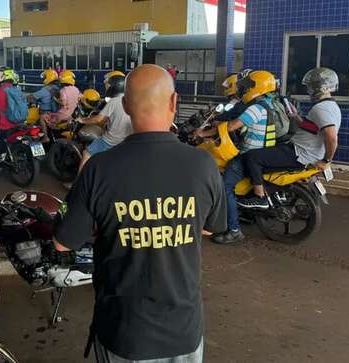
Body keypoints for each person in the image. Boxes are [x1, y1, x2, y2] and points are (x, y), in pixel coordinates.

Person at [53, 64, 227, 363]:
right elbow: (210, 228)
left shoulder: (99, 168)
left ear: (124, 105)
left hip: (125, 332)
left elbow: (63, 243)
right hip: (183, 331)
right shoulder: (203, 165)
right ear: (174, 102)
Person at [239, 67, 341, 209]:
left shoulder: (321, 109)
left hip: (299, 153)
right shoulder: (331, 106)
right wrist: (295, 118)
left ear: (320, 88)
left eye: (311, 87)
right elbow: (314, 129)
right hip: (301, 150)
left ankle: (260, 197)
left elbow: (331, 137)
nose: (308, 91)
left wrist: (326, 161)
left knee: (251, 157)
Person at [196, 70, 278, 244]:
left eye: (249, 86)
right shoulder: (269, 104)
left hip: (250, 154)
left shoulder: (257, 107)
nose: (245, 89)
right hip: (264, 152)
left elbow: (233, 125)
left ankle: (234, 230)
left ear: (257, 87)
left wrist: (204, 133)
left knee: (225, 186)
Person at [75, 71, 131, 171]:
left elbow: (98, 119)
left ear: (115, 86)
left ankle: (79, 182)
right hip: (126, 140)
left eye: (108, 85)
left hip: (112, 141)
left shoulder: (114, 101)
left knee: (86, 154)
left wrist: (82, 120)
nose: (107, 87)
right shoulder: (130, 100)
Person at [40, 69, 81, 138]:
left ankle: (46, 137)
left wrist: (54, 98)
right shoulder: (76, 89)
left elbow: (63, 103)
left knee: (42, 117)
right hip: (70, 115)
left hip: (62, 115)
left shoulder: (63, 90)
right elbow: (80, 98)